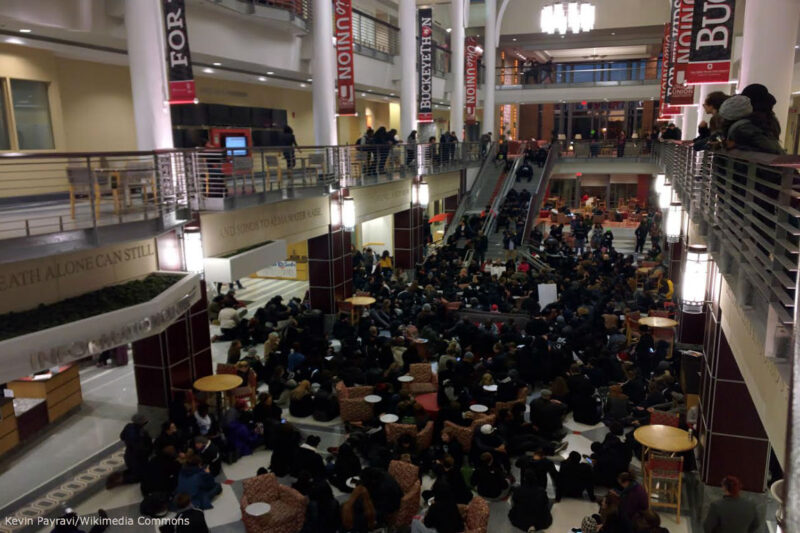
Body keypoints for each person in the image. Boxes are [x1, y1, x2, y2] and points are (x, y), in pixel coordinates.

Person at [719, 94, 784, 154]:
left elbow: (770, 148)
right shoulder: (753, 124)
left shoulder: (743, 128)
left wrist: (735, 146)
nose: (722, 120)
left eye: (723, 117)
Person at [507, 467, 553, 532]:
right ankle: (533, 525)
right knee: (549, 501)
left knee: (514, 500)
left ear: (524, 478)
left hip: (521, 518)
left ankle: (529, 525)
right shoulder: (541, 491)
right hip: (540, 519)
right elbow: (545, 502)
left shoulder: (518, 490)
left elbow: (514, 501)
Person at [119, 413, 152, 484]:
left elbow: (122, 436)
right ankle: (122, 479)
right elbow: (141, 449)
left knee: (133, 470)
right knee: (139, 476)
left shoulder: (128, 426)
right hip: (138, 458)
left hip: (128, 454)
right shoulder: (142, 433)